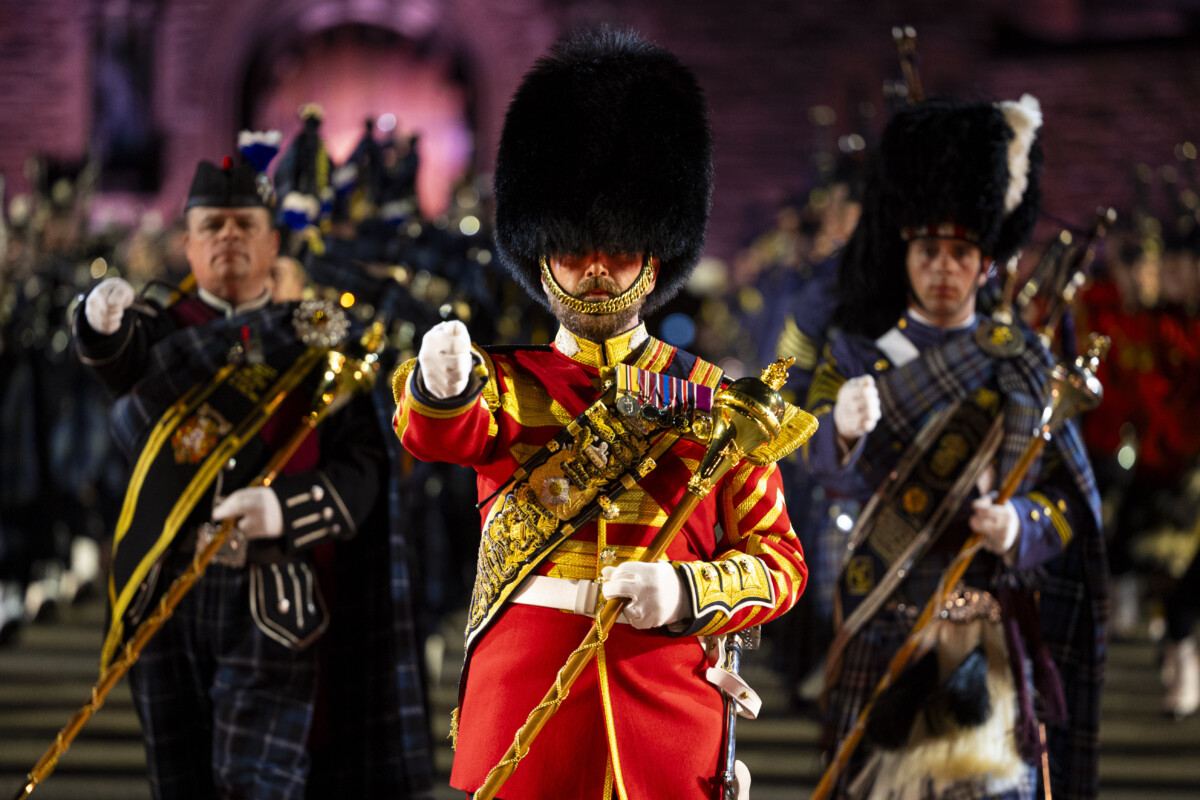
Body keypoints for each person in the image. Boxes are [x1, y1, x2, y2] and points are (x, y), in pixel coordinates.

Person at [392, 27, 810, 799]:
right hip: (528, 705)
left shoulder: (716, 399)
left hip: (664, 710)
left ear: (655, 255)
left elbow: (781, 562)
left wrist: (689, 593)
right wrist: (441, 384)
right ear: (538, 252)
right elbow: (439, 434)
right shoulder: (507, 385)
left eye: (617, 247)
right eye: (573, 246)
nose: (593, 268)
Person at [72, 157, 431, 799]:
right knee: (180, 783)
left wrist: (286, 511)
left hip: (274, 587)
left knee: (256, 785)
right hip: (166, 589)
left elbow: (364, 464)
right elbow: (118, 363)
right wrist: (97, 326)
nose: (229, 236)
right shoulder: (157, 333)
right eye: (212, 224)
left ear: (273, 240)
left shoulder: (324, 338)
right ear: (187, 243)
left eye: (245, 223)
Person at [804, 96, 1106, 800]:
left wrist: (1020, 526)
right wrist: (838, 426)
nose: (943, 267)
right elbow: (804, 460)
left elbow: (1067, 504)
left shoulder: (1025, 361)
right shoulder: (854, 352)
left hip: (989, 632)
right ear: (905, 252)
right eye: (929, 250)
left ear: (986, 262)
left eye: (962, 252)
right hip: (884, 622)